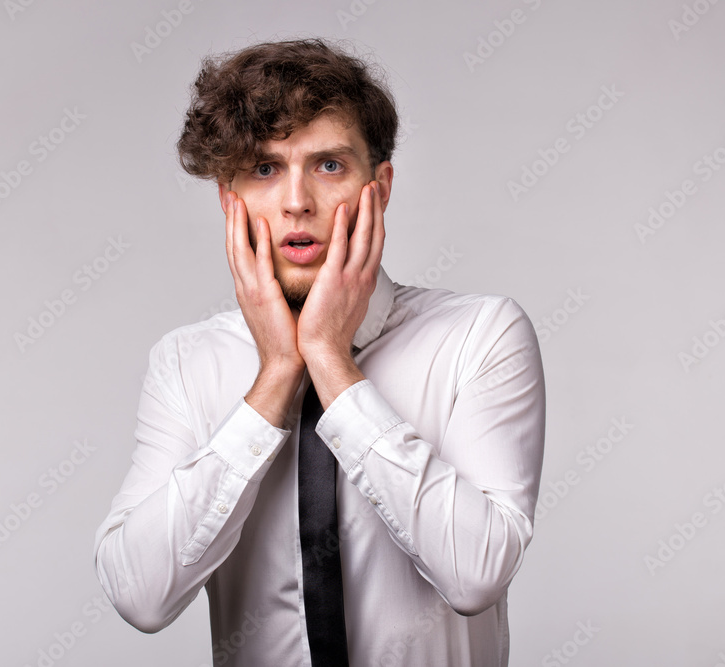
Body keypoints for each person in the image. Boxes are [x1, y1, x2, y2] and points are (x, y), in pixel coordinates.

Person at [94, 37, 545, 666]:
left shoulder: (479, 335)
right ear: (230, 201)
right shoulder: (186, 361)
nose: (297, 201)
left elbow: (476, 574)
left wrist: (332, 362)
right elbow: (140, 597)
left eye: (328, 165)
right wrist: (277, 376)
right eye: (264, 168)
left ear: (379, 188)